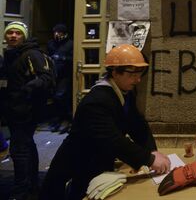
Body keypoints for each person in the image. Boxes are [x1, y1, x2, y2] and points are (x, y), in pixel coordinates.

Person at [39, 44, 171, 200]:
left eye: (140, 73)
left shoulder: (124, 91)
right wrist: (149, 160)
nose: (138, 79)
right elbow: (113, 139)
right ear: (114, 72)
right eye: (132, 73)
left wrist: (152, 150)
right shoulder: (98, 100)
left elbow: (137, 123)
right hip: (76, 166)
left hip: (98, 162)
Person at [1, 21, 55, 200]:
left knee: (19, 150)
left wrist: (26, 90)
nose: (13, 36)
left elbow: (46, 78)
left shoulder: (30, 54)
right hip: (14, 111)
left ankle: (21, 192)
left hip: (26, 111)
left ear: (23, 36)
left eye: (17, 33)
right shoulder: (11, 54)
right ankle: (32, 187)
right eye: (10, 33)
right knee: (27, 146)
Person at [47, 23, 73, 133]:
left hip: (65, 74)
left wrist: (63, 58)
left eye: (60, 32)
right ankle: (57, 121)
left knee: (61, 96)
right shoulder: (51, 43)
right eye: (55, 32)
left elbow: (74, 57)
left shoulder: (70, 43)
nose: (57, 34)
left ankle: (66, 120)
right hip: (53, 74)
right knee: (54, 98)